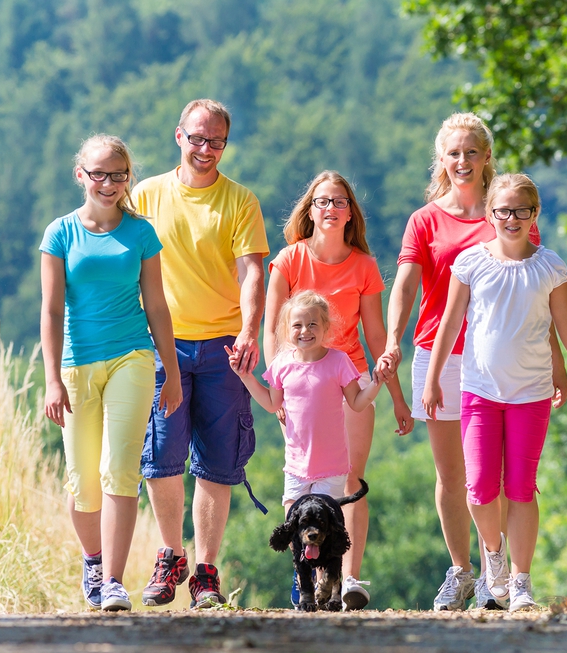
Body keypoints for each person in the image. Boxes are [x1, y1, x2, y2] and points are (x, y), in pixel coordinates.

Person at [384, 112, 567, 611]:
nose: (462, 161)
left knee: (508, 478)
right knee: (457, 477)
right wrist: (393, 341)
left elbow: (539, 297)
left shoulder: (510, 208)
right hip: (440, 355)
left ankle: (502, 576)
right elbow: (404, 284)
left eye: (471, 152)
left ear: (486, 157)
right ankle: (463, 571)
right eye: (453, 153)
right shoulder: (425, 220)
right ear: (440, 160)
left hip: (506, 358)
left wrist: (556, 361)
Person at [423, 173, 567, 611]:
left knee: (520, 489)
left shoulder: (549, 266)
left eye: (521, 210)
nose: (511, 218)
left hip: (530, 394)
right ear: (490, 214)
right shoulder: (471, 262)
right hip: (478, 390)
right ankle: (493, 557)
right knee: (478, 488)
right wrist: (433, 378)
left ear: (534, 214)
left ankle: (520, 581)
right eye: (502, 210)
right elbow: (450, 323)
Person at [131, 99, 270, 609]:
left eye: (215, 142)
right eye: (196, 138)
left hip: (223, 347)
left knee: (217, 461)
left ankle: (207, 571)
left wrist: (250, 330)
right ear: (178, 137)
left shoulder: (239, 201)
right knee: (162, 455)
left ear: (225, 145)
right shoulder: (145, 196)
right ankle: (171, 557)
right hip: (162, 345)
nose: (205, 149)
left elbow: (253, 272)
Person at [40, 134, 183, 612]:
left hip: (132, 358)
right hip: (77, 364)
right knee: (82, 481)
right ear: (80, 174)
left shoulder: (140, 233)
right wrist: (52, 379)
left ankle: (114, 583)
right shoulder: (60, 233)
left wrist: (174, 372)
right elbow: (51, 310)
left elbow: (157, 305)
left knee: (119, 470)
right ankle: (94, 561)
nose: (109, 183)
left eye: (118, 175)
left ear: (128, 178)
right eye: (99, 173)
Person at [264, 170, 413, 610]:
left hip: (349, 379)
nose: (331, 208)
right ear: (310, 210)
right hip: (300, 384)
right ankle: (305, 575)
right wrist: (279, 386)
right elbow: (273, 330)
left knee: (349, 481)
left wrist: (398, 399)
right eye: (323, 201)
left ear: (351, 213)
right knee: (302, 489)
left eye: (340, 202)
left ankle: (348, 579)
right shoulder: (289, 259)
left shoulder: (364, 266)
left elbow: (377, 336)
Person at [229, 290, 383, 512]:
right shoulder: (281, 364)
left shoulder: (339, 361)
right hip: (296, 467)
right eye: (297, 325)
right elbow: (272, 404)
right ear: (286, 329)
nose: (305, 330)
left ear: (326, 327)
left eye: (312, 324)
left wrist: (377, 382)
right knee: (294, 527)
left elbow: (357, 403)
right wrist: (244, 375)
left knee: (324, 531)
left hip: (332, 469)